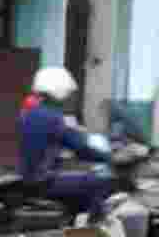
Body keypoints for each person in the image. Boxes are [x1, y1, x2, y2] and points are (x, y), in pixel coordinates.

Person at [19, 66, 115, 220]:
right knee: (100, 181)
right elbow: (80, 148)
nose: (70, 98)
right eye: (69, 94)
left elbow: (51, 142)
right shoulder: (52, 116)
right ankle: (92, 231)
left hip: (29, 177)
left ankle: (73, 218)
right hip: (43, 181)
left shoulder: (31, 112)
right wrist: (108, 157)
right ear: (59, 91)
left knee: (79, 178)